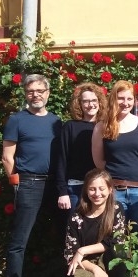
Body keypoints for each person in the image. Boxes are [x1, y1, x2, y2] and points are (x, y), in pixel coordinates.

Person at [2, 74, 62, 277]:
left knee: (65, 236)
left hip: (55, 185)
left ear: (48, 93)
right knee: (19, 242)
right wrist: (16, 183)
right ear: (25, 94)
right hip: (29, 183)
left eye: (40, 91)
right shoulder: (17, 120)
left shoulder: (56, 121)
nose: (35, 95)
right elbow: (7, 157)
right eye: (30, 91)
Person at [92, 80, 138, 227]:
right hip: (115, 191)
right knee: (115, 235)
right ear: (113, 99)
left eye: (129, 99)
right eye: (121, 98)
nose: (125, 103)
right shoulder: (102, 127)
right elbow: (99, 161)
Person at [64, 169, 127, 277]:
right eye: (92, 189)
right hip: (86, 264)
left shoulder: (116, 209)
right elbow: (70, 253)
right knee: (76, 266)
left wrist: (83, 250)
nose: (97, 193)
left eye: (101, 188)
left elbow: (116, 241)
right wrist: (95, 269)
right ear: (86, 191)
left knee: (120, 252)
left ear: (110, 189)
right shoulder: (76, 217)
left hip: (108, 259)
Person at [56, 83, 107, 212]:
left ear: (100, 102)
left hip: (101, 189)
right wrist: (62, 191)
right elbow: (62, 159)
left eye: (94, 100)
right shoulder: (70, 127)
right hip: (75, 188)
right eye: (86, 101)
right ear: (79, 104)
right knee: (75, 223)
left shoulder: (107, 127)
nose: (90, 104)